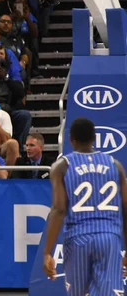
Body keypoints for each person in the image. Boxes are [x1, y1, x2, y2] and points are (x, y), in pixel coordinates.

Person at [43, 118, 127, 296]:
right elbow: (126, 210)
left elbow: (58, 210)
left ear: (71, 138)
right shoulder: (116, 166)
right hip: (108, 238)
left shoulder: (61, 166)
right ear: (94, 138)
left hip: (77, 239)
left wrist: (47, 252)